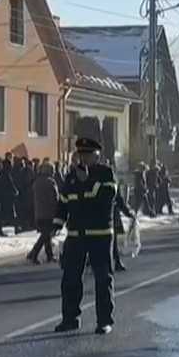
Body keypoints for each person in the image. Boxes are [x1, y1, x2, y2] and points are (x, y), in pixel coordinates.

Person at [54, 137, 118, 335]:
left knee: (102, 278)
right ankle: (70, 318)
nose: (84, 159)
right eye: (81, 155)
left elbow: (106, 198)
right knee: (70, 278)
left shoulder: (105, 173)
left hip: (99, 234)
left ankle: (104, 320)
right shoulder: (72, 176)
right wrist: (57, 223)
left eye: (88, 155)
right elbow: (64, 201)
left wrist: (87, 181)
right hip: (76, 234)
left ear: (97, 156)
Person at [28, 161, 60, 264]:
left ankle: (49, 255)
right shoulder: (51, 182)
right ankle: (34, 253)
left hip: (39, 212)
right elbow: (55, 198)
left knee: (46, 235)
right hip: (49, 212)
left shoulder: (36, 182)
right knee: (45, 235)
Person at [112, 188, 137, 273]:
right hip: (109, 217)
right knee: (111, 241)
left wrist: (128, 213)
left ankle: (117, 261)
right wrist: (128, 213)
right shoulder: (111, 180)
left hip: (98, 218)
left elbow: (119, 200)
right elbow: (119, 200)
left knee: (111, 242)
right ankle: (116, 262)